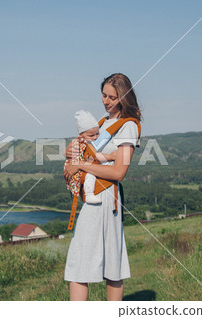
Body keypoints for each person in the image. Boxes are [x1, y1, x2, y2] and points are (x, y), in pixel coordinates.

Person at [63, 73, 142, 301]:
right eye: (104, 95)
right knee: (107, 265)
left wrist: (82, 165)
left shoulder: (128, 127)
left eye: (112, 97)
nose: (106, 101)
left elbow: (119, 172)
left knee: (85, 264)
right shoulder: (100, 123)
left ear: (124, 98)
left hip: (105, 198)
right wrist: (72, 153)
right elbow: (90, 156)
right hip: (95, 195)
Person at [65, 110, 117, 204]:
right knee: (90, 175)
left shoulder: (81, 140)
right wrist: (111, 156)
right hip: (77, 171)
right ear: (81, 134)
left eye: (97, 133)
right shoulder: (85, 143)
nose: (95, 137)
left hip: (78, 167)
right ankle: (89, 195)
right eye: (91, 135)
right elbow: (96, 156)